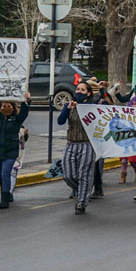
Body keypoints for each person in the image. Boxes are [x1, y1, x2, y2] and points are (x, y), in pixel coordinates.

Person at [58, 82, 97, 214]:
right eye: (78, 89)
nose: (79, 92)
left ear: (89, 93)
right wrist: (67, 108)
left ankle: (81, 203)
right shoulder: (70, 106)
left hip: (86, 144)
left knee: (84, 174)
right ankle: (84, 190)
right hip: (71, 144)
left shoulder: (92, 108)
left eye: (82, 90)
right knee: (68, 174)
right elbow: (60, 121)